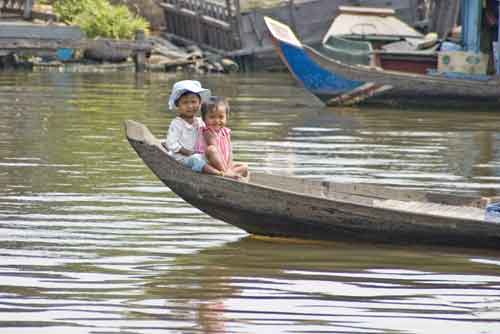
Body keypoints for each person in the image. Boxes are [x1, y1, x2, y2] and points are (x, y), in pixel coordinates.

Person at [164, 80, 224, 176]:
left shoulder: (200, 122)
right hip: (182, 158)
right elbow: (171, 143)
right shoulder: (177, 124)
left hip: (198, 155)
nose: (190, 106)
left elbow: (210, 135)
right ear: (177, 104)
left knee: (212, 155)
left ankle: (222, 169)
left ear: (200, 103)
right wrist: (187, 152)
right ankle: (219, 173)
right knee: (196, 159)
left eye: (193, 102)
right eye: (185, 103)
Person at [195, 96, 248, 179]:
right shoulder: (207, 132)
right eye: (212, 117)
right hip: (209, 165)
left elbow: (230, 152)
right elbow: (216, 151)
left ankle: (229, 173)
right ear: (204, 119)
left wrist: (229, 166)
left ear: (226, 117)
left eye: (221, 117)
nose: (217, 121)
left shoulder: (226, 132)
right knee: (212, 149)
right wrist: (226, 170)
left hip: (224, 164)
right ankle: (226, 174)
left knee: (245, 167)